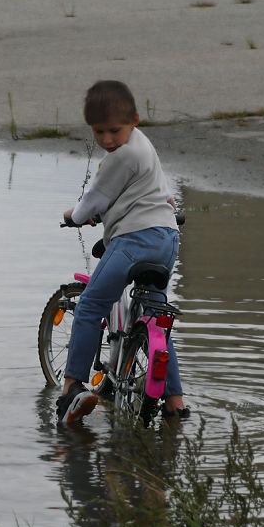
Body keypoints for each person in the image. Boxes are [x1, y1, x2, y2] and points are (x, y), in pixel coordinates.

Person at [57, 80, 189, 423]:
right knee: (153, 318)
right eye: (99, 132)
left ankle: (72, 387)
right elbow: (155, 191)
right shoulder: (144, 146)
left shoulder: (122, 156)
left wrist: (73, 216)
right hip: (167, 240)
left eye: (114, 130)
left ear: (135, 119)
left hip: (134, 240)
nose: (107, 140)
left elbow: (95, 199)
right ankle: (175, 404)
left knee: (89, 306)